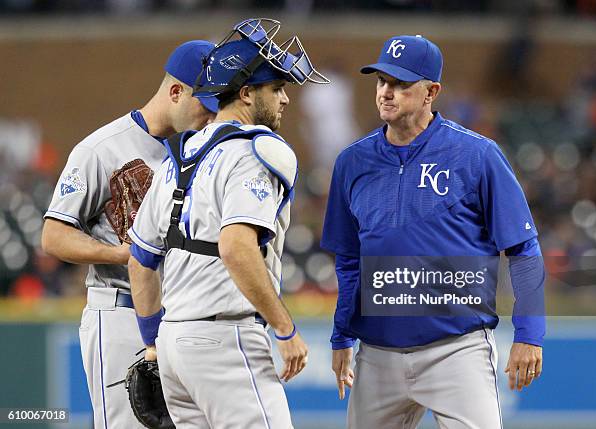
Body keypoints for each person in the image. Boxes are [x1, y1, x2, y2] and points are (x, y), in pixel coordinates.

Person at [321, 35, 546, 429]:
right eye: (381, 82)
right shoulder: (352, 162)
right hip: (377, 355)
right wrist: (341, 336)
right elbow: (349, 260)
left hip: (455, 351)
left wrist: (529, 334)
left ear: (431, 92)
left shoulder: (476, 155)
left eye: (401, 84)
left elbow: (523, 248)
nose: (387, 93)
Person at [127, 18, 329, 428]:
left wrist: (153, 347)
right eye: (277, 89)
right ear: (246, 91)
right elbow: (235, 247)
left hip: (173, 346)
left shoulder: (177, 158)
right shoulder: (256, 150)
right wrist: (286, 329)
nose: (286, 100)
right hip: (226, 340)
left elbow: (140, 262)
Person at [41, 40, 218, 429]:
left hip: (178, 317)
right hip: (120, 311)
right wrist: (126, 254)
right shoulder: (100, 149)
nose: (211, 115)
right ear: (176, 91)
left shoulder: (194, 150)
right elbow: (54, 235)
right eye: (205, 103)